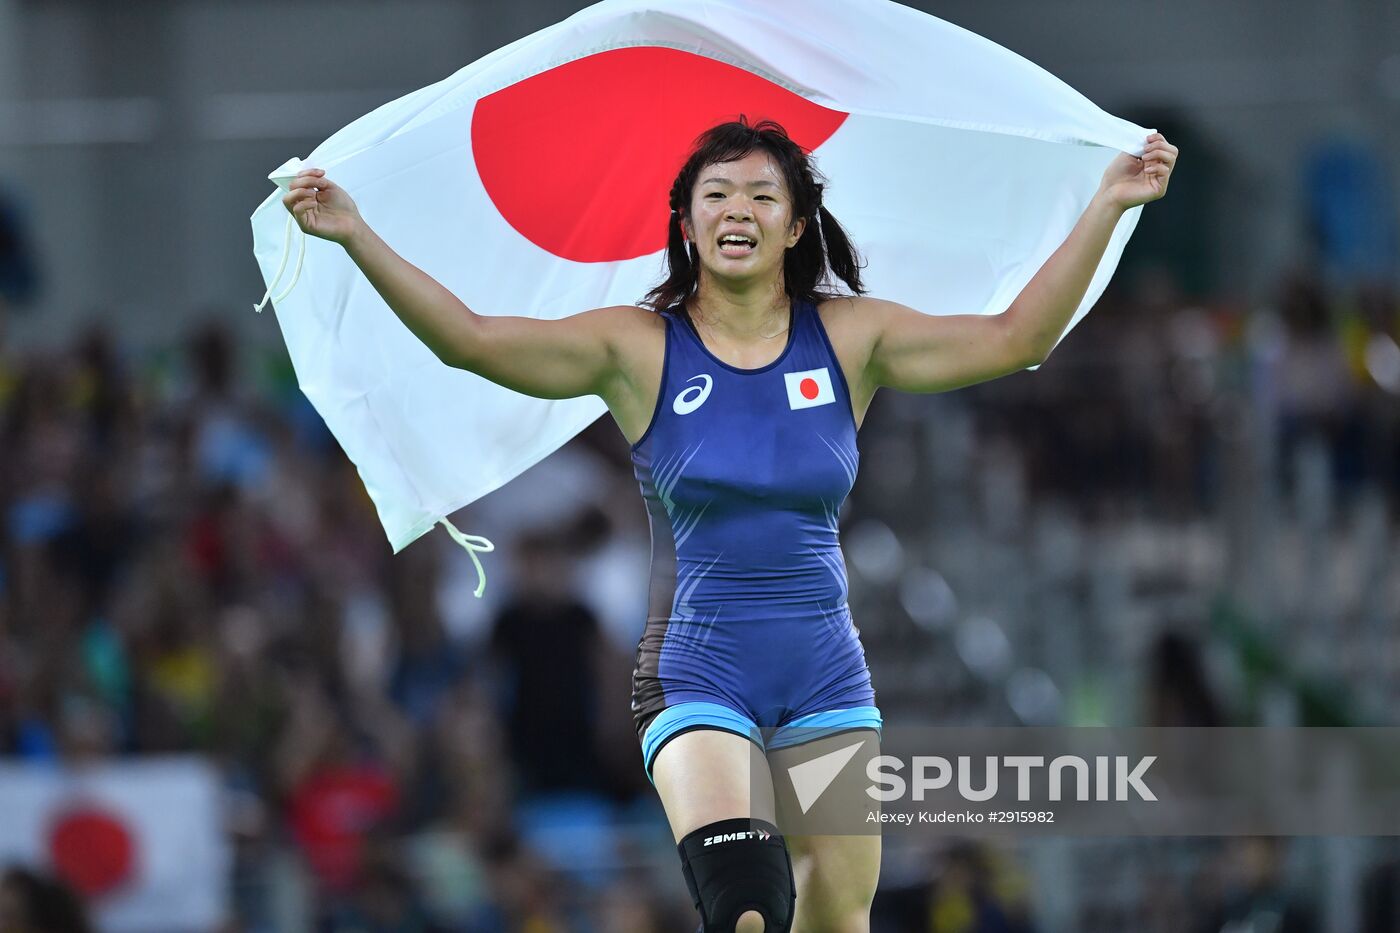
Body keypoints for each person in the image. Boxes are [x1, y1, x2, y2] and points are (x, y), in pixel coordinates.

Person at [282, 117, 1176, 933]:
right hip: (696, 672)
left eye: (761, 195)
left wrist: (1108, 205)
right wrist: (356, 234)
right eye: (715, 194)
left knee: (838, 914)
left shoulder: (851, 337)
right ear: (685, 224)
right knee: (749, 903)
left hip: (825, 673)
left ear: (795, 226)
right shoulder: (638, 347)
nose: (737, 209)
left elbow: (1018, 337)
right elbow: (472, 340)